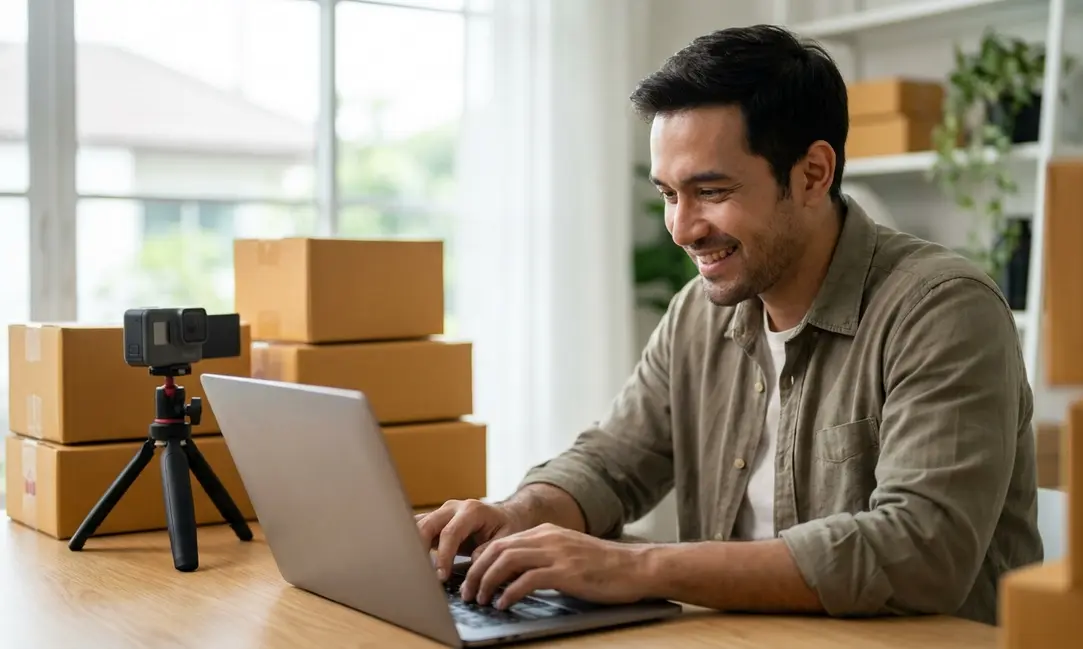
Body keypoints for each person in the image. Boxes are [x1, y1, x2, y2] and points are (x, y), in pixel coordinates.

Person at [416, 24, 1042, 626]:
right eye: (668, 193)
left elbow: (920, 553)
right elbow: (611, 465)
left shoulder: (942, 309)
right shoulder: (698, 312)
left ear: (812, 174)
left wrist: (637, 566)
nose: (682, 228)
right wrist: (517, 514)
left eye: (710, 191)